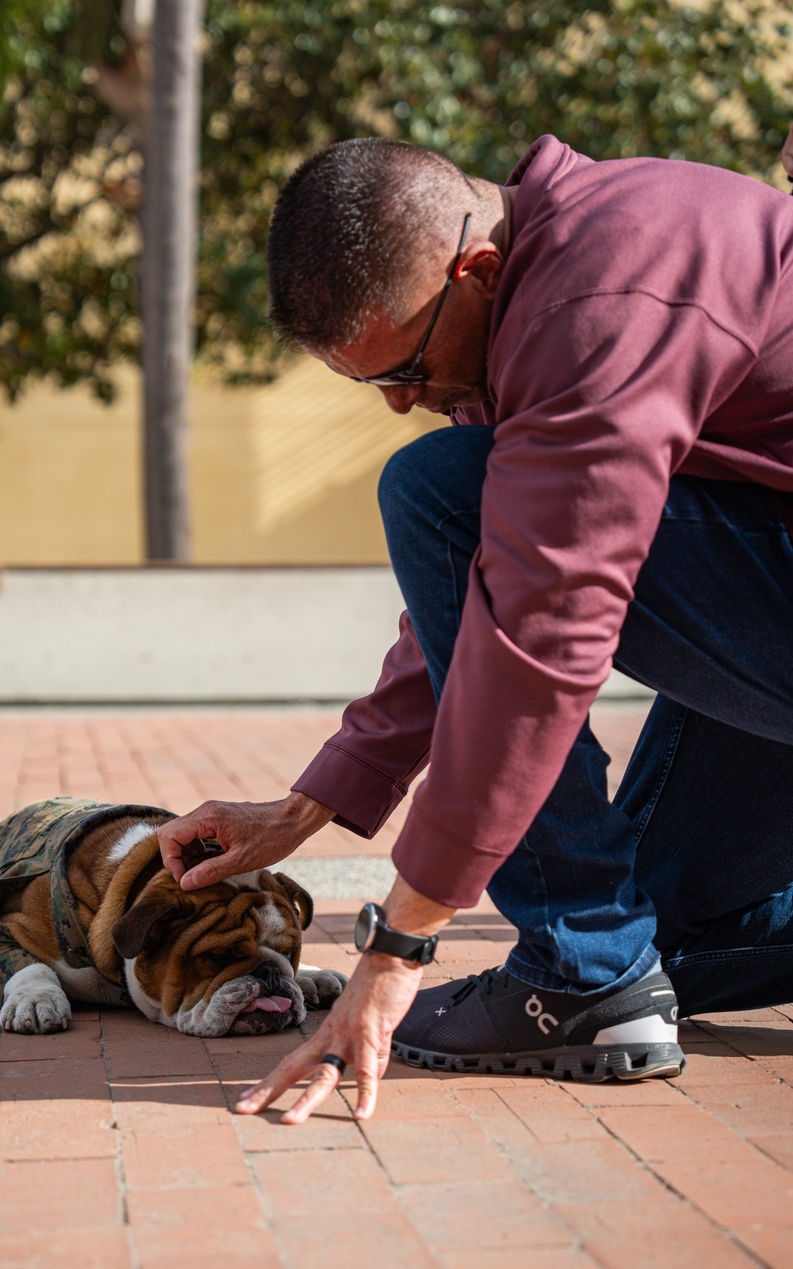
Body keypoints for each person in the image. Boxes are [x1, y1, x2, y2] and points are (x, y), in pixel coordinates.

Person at [158, 125, 793, 1124]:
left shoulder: (602, 295)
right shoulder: (534, 294)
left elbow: (539, 636)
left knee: (433, 488)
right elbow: (488, 594)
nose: (402, 402)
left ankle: (580, 981)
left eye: (403, 369)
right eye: (372, 385)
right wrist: (308, 806)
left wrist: (398, 942)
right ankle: (606, 969)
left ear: (478, 269)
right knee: (661, 948)